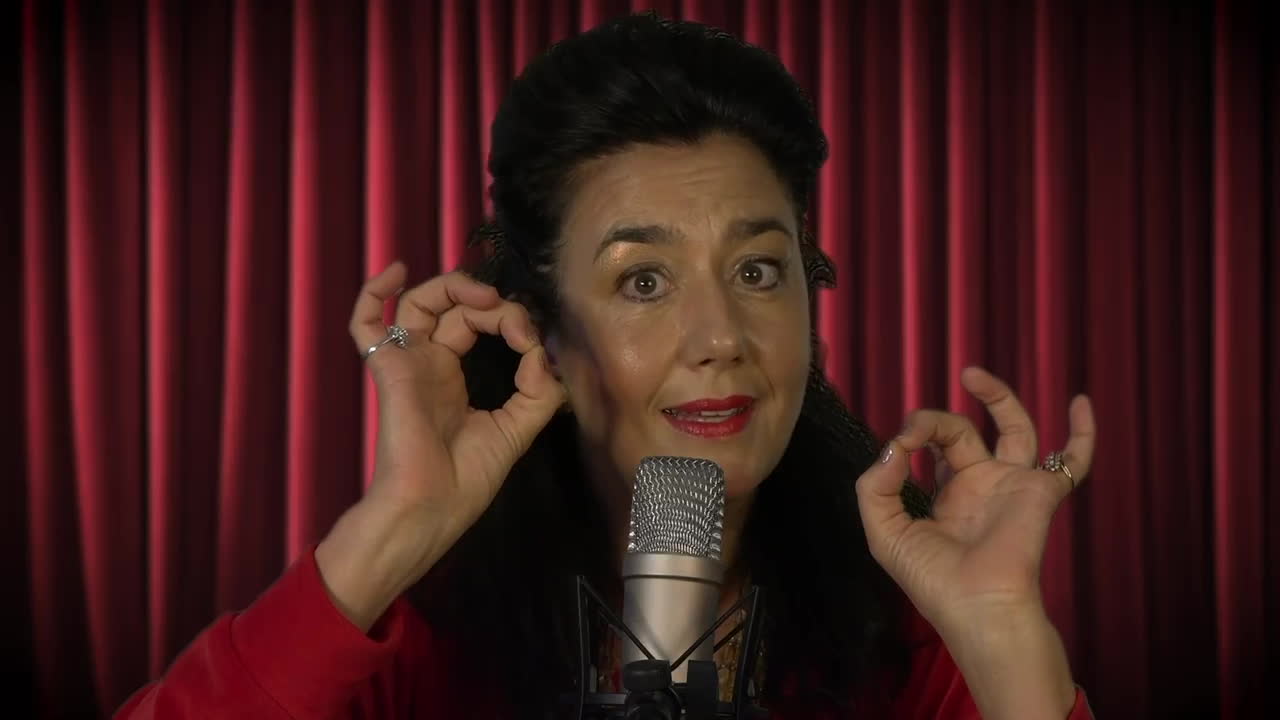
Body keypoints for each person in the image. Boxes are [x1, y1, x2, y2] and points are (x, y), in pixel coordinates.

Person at [117, 13, 1095, 720]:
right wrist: (391, 529)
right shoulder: (413, 644)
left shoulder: (908, 633)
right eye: (643, 282)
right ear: (545, 329)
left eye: (757, 271)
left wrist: (1003, 635)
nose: (720, 336)